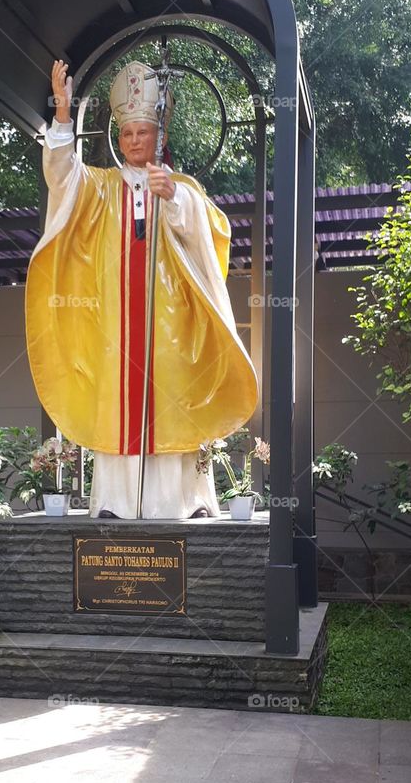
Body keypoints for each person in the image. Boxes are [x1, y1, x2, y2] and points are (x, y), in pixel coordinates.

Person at [24, 57, 259, 519]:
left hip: (170, 326)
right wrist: (64, 116)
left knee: (175, 403)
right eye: (127, 133)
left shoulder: (182, 186)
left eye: (143, 132)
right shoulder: (100, 186)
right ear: (119, 138)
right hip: (115, 325)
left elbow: (214, 233)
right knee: (116, 406)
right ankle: (114, 504)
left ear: (159, 136)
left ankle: (183, 504)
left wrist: (175, 197)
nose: (134, 141)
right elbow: (62, 177)